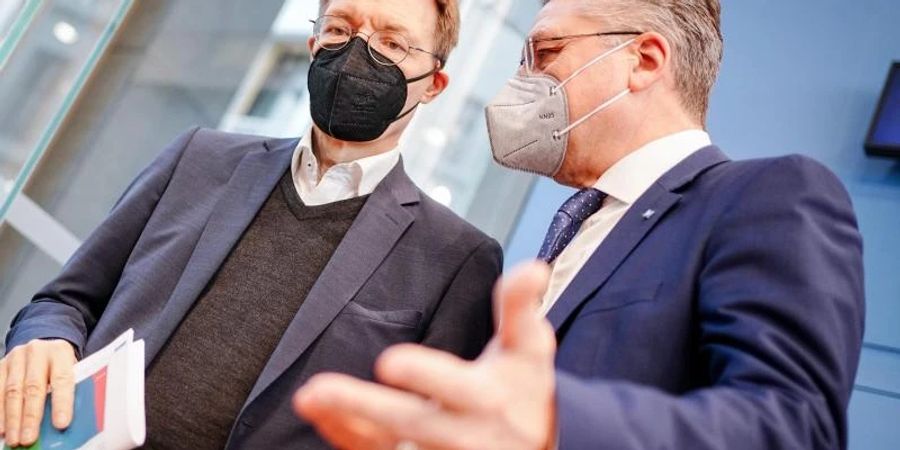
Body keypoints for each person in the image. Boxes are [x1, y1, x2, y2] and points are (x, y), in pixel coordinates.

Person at [293, 0, 865, 449]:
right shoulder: (578, 227)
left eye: (546, 52)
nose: (524, 81)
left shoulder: (766, 196)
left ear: (644, 60)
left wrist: (552, 421)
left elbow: (797, 427)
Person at [0, 0, 502, 448]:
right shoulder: (198, 158)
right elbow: (64, 301)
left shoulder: (457, 260)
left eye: (392, 42)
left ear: (434, 84)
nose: (357, 53)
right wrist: (45, 339)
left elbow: (432, 433)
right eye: (339, 30)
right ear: (313, 45)